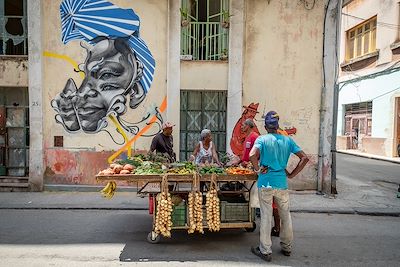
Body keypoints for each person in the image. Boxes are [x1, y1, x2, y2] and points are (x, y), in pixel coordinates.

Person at [249, 111, 309, 262]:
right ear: (277, 126)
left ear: (265, 126)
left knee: (266, 216)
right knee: (285, 216)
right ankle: (287, 247)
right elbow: (304, 158)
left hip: (266, 182)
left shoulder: (262, 139)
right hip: (281, 183)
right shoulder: (287, 141)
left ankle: (265, 250)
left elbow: (252, 155)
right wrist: (292, 174)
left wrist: (257, 169)